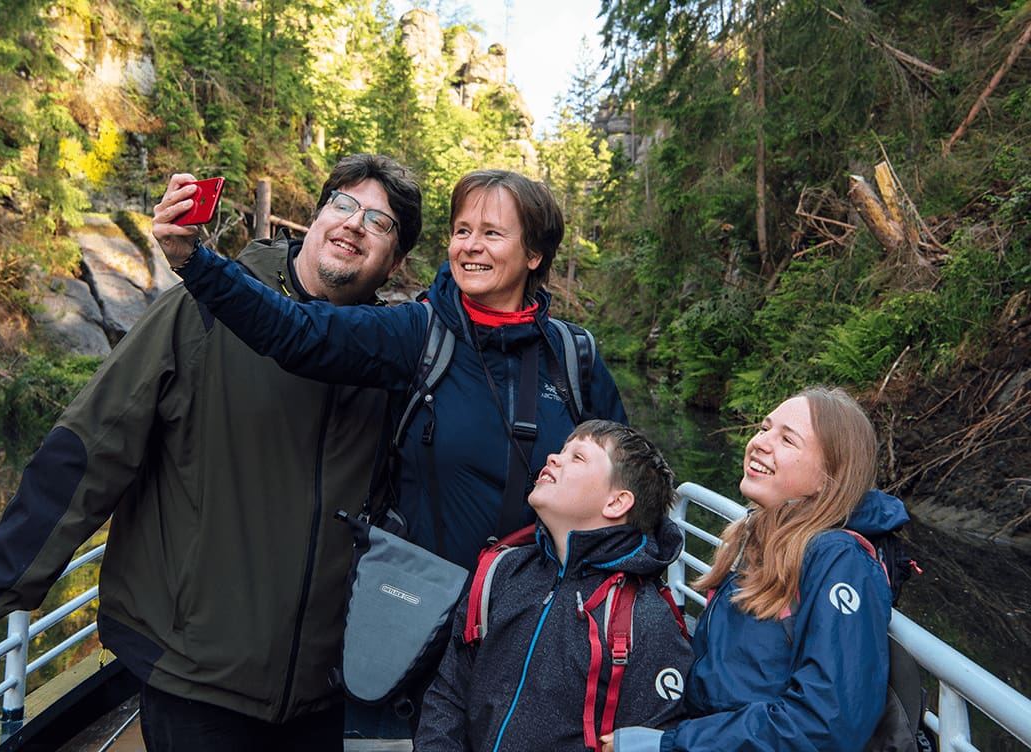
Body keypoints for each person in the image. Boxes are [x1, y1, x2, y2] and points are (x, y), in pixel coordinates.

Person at [0, 154, 423, 751]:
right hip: (196, 672)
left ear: (395, 261)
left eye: (380, 222)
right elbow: (99, 435)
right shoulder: (207, 309)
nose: (353, 224)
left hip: (325, 684)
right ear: (314, 220)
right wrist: (13, 571)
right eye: (342, 205)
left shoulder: (393, 357)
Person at [154, 169, 628, 572]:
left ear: (533, 254)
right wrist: (195, 261)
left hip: (538, 612)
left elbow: (623, 478)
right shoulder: (418, 332)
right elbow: (297, 332)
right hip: (429, 611)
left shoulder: (572, 355)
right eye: (462, 231)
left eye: (492, 233)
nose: (470, 247)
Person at [603, 386, 906, 752]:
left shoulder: (840, 560)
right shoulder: (760, 533)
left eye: (787, 440)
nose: (760, 442)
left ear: (828, 477)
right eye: (765, 428)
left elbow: (828, 723)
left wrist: (672, 745)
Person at [414, 419, 694, 752]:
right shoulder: (501, 571)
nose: (553, 458)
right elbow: (449, 692)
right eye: (562, 450)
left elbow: (648, 740)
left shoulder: (645, 621)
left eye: (577, 457)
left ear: (616, 503)